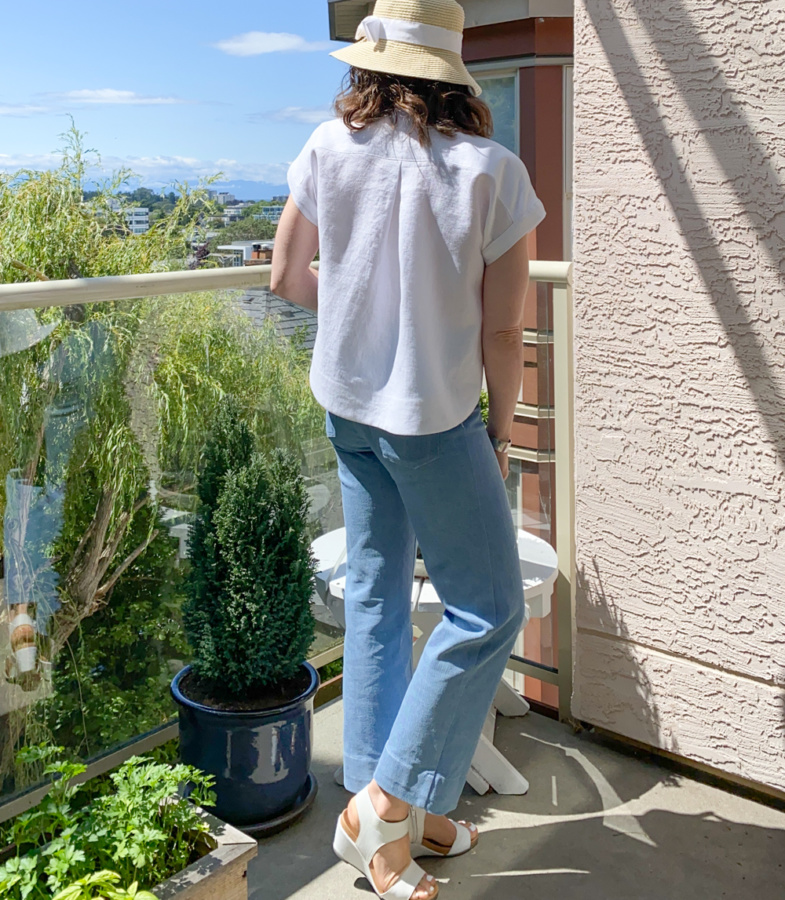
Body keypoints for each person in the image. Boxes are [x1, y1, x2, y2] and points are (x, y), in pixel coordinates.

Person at [271, 1, 545, 896]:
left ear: (370, 65)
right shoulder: (490, 172)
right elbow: (504, 333)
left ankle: (389, 821)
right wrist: (500, 430)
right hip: (434, 423)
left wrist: (364, 335)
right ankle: (387, 803)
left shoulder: (324, 148)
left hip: (347, 410)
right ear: (453, 76)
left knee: (377, 602)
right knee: (487, 609)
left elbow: (285, 279)